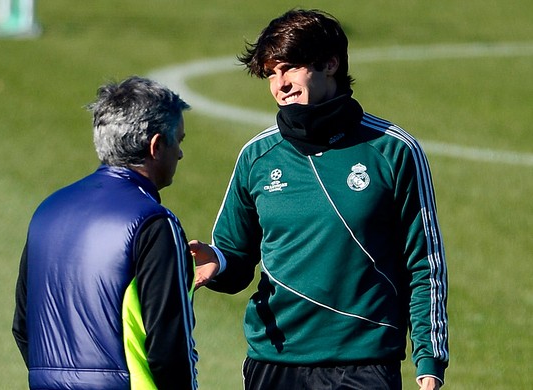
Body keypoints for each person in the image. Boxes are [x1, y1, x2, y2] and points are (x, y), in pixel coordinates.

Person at [190, 9, 448, 390]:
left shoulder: (393, 150)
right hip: (274, 362)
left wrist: (429, 361)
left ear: (330, 63)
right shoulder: (257, 157)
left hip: (365, 363)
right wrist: (220, 262)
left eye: (290, 68)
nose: (280, 84)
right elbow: (237, 258)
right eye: (271, 74)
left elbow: (425, 263)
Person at [12, 76, 198, 390]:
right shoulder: (154, 222)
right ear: (155, 146)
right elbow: (167, 348)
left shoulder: (47, 211)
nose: (179, 154)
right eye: (178, 140)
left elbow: (24, 326)